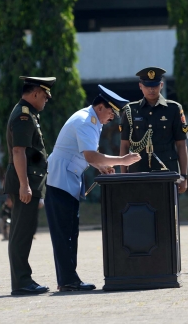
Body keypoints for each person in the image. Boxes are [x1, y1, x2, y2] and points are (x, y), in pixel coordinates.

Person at [45, 85, 141, 291]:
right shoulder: (85, 121)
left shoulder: (92, 121)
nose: (113, 117)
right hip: (60, 181)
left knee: (70, 233)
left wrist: (102, 166)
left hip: (67, 181)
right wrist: (122, 160)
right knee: (64, 235)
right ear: (100, 107)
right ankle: (68, 280)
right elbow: (90, 155)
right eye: (111, 112)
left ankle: (69, 280)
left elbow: (89, 155)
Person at [3, 76, 54, 295]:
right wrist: (24, 185)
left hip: (28, 181)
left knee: (21, 232)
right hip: (25, 182)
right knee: (21, 233)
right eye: (44, 96)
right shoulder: (23, 116)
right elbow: (18, 151)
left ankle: (23, 280)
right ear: (34, 94)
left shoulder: (29, 114)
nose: (46, 101)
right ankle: (22, 282)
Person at [120, 67, 188, 194]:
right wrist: (124, 177)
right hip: (138, 171)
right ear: (140, 86)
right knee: (139, 211)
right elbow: (124, 145)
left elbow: (181, 144)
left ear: (161, 85)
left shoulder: (173, 109)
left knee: (167, 211)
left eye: (155, 85)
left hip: (167, 171)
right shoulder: (131, 110)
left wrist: (184, 176)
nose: (151, 89)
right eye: (147, 86)